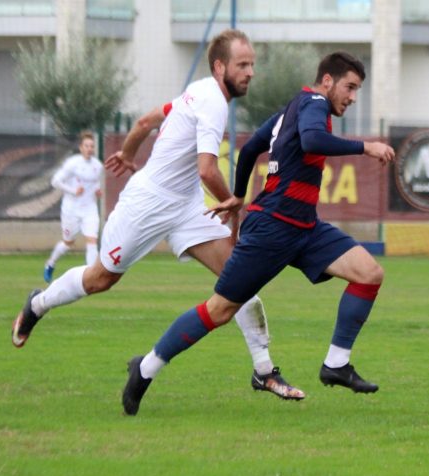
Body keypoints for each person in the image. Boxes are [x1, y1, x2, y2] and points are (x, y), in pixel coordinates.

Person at [12, 29, 305, 401]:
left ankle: (264, 372)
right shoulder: (212, 101)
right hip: (147, 204)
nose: (250, 72)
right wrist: (235, 203)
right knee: (101, 278)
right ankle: (37, 304)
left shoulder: (200, 90)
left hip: (184, 205)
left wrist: (130, 153)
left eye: (252, 65)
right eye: (242, 64)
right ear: (220, 67)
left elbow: (146, 121)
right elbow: (207, 171)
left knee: (241, 280)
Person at [121, 51, 395, 415]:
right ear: (327, 81)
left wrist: (237, 195)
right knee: (220, 310)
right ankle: (145, 367)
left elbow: (251, 148)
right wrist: (366, 146)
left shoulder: (293, 107)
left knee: (368, 273)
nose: (352, 96)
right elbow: (312, 141)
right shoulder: (314, 103)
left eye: (357, 89)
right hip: (273, 228)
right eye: (350, 87)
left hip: (304, 227)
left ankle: (336, 365)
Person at [43, 131, 103, 283]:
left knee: (92, 240)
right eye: (87, 146)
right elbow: (55, 181)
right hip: (71, 210)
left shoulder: (97, 165)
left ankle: (92, 277)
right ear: (81, 147)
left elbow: (96, 182)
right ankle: (50, 263)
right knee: (68, 243)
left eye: (92, 146)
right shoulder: (73, 163)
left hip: (89, 209)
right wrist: (73, 191)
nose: (90, 149)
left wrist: (97, 190)